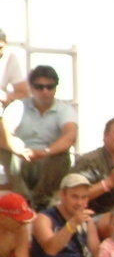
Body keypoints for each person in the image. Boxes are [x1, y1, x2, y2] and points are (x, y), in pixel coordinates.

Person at [0, 65, 77, 210]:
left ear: (55, 88)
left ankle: (40, 200)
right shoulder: (19, 106)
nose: (45, 91)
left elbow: (70, 136)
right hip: (22, 160)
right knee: (4, 149)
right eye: (39, 87)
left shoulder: (65, 109)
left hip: (49, 164)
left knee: (63, 154)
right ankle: (24, 198)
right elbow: (3, 134)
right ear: (31, 88)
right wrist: (18, 149)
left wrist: (45, 152)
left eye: (49, 87)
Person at [0, 28, 29, 105]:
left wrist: (6, 97)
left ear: (6, 45)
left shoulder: (10, 58)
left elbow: (23, 93)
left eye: (0, 48)